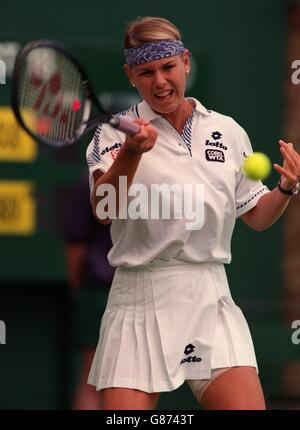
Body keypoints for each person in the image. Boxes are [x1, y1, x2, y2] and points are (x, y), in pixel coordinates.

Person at [85, 16, 300, 410]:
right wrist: (133, 153)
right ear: (130, 75)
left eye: (167, 67)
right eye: (146, 72)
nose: (159, 81)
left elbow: (256, 215)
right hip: (139, 299)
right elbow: (105, 210)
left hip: (209, 298)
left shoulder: (228, 131)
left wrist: (286, 188)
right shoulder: (114, 135)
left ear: (185, 62)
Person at [61, 171, 114, 409]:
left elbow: (76, 248)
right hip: (102, 292)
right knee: (94, 380)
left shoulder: (87, 181)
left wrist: (77, 290)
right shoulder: (89, 183)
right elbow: (76, 246)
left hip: (100, 292)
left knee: (93, 380)